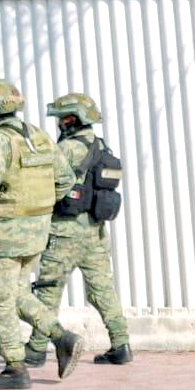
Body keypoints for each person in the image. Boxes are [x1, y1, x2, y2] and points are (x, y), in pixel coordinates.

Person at [0, 78, 85, 390]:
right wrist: (38, 207)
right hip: (36, 233)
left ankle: (15, 368)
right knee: (17, 293)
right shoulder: (37, 135)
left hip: (7, 236)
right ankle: (62, 338)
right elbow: (65, 179)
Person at [24, 93, 132, 367]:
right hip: (95, 233)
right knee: (102, 290)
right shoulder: (100, 146)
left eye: (62, 118)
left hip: (64, 233)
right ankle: (121, 344)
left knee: (48, 289)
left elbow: (42, 183)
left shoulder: (67, 149)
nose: (59, 123)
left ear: (71, 119)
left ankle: (36, 349)